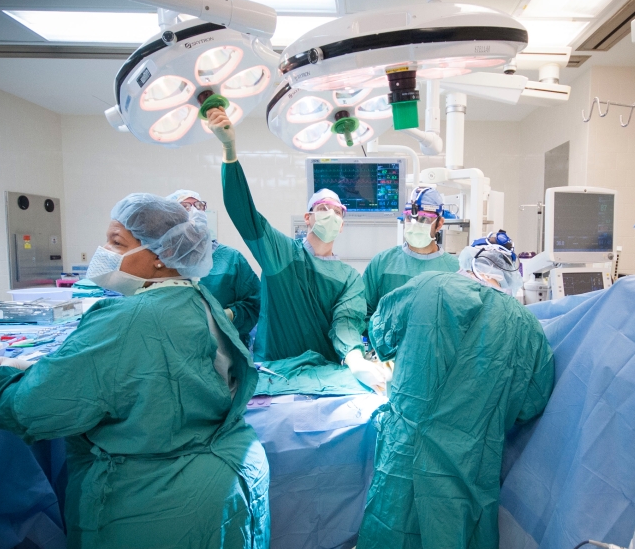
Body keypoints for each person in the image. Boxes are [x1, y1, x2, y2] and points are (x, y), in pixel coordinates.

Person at [0, 194, 271, 549]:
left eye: (117, 243)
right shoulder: (198, 299)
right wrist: (52, 366)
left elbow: (32, 409)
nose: (104, 253)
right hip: (226, 491)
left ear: (161, 255)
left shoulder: (129, 319)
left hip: (160, 509)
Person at [344, 243, 556, 549]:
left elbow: (380, 335)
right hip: (468, 472)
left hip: (403, 463)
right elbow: (530, 403)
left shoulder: (428, 286)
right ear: (510, 281)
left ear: (467, 264)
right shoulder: (526, 326)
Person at [204, 107, 386, 388]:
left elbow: (346, 323)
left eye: (337, 211)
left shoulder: (349, 278)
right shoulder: (283, 255)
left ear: (342, 223)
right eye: (323, 208)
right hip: (273, 375)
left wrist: (355, 359)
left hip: (322, 377)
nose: (331, 215)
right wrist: (229, 150)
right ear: (308, 217)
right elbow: (245, 214)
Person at [167, 189, 261, 346]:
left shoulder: (230, 258)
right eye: (185, 206)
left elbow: (255, 302)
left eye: (198, 205)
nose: (194, 211)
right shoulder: (161, 259)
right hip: (175, 346)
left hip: (224, 349)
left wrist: (226, 315)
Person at [362, 185, 459, 319]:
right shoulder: (382, 263)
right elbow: (363, 312)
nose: (414, 224)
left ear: (440, 224)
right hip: (387, 341)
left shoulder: (456, 269)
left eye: (424, 218)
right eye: (409, 217)